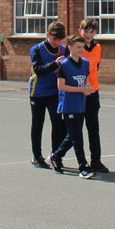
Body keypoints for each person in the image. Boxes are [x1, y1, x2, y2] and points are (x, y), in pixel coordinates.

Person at [50, 34, 96, 179]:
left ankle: (56, 156)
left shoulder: (85, 63)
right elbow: (61, 86)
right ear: (70, 47)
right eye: (78, 47)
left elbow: (86, 81)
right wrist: (80, 90)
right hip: (69, 105)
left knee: (72, 136)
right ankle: (83, 167)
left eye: (82, 47)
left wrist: (88, 88)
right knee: (78, 138)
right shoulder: (64, 65)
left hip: (81, 104)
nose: (81, 49)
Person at [28, 21, 68, 168]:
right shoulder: (36, 49)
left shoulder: (64, 49)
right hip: (37, 92)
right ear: (47, 35)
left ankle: (55, 155)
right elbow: (38, 70)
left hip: (54, 92)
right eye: (54, 39)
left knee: (57, 123)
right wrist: (55, 64)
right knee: (37, 124)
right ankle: (37, 156)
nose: (57, 42)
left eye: (59, 40)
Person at [79, 19, 108, 173]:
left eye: (92, 31)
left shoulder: (98, 47)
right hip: (78, 93)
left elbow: (96, 67)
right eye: (86, 31)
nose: (88, 34)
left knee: (93, 128)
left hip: (93, 92)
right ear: (80, 30)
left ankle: (96, 161)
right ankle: (58, 155)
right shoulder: (76, 47)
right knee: (74, 130)